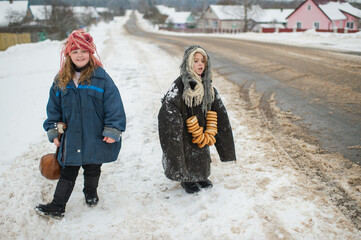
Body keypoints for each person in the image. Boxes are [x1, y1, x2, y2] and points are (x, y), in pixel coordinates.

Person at [35, 29, 126, 219]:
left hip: (95, 135)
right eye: (75, 51)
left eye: (83, 51)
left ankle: (90, 192)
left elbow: (114, 105)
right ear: (68, 54)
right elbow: (53, 109)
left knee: (93, 167)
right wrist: (54, 130)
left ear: (90, 53)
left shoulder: (101, 78)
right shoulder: (60, 80)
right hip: (72, 137)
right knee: (68, 170)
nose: (80, 55)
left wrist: (113, 128)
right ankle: (57, 206)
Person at [158, 45, 236, 194]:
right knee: (186, 152)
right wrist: (176, 124)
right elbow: (169, 108)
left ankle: (201, 175)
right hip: (184, 129)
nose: (200, 64)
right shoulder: (179, 86)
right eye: (196, 61)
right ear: (188, 63)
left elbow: (220, 114)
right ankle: (186, 178)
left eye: (203, 61)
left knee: (201, 150)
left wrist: (225, 148)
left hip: (202, 130)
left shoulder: (208, 87)